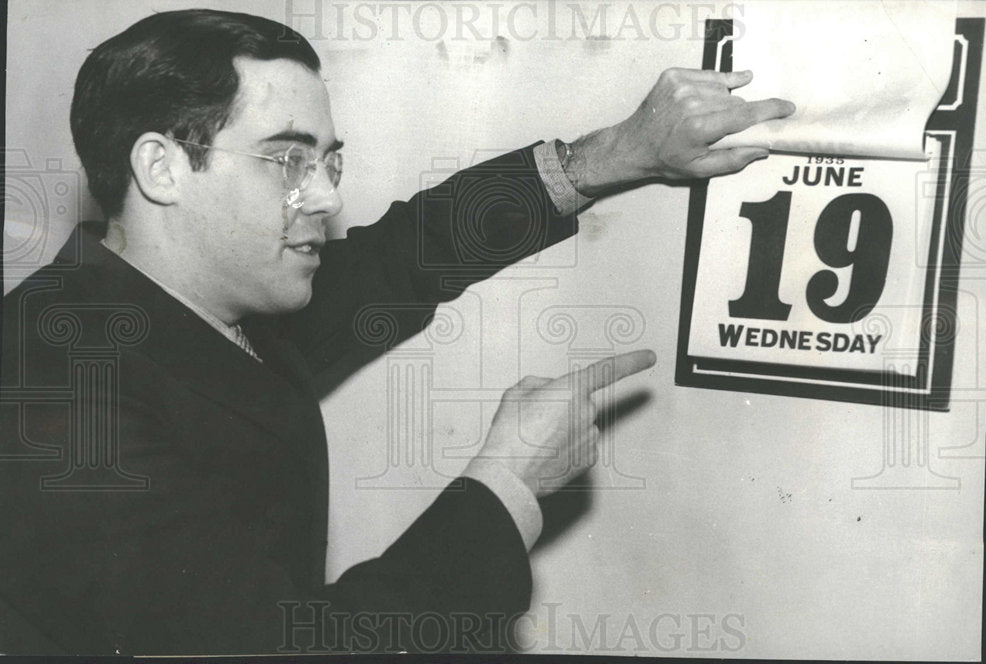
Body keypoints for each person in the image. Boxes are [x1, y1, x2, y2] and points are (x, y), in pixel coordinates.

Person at [0, 9, 794, 655]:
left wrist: (615, 155)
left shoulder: (188, 299)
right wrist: (506, 485)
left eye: (328, 163)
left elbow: (402, 259)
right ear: (162, 168)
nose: (321, 199)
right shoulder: (57, 399)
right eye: (286, 161)